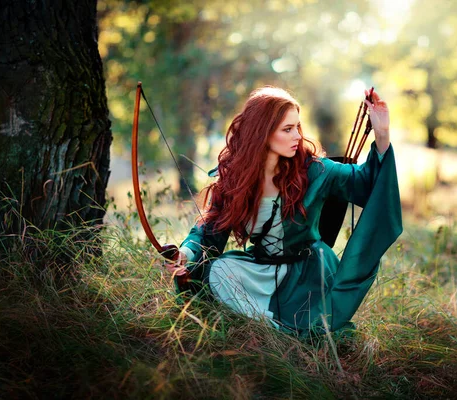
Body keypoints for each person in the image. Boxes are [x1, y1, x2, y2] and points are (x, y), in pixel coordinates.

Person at [166, 86, 402, 336]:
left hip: (308, 274)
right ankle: (268, 326)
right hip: (261, 268)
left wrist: (382, 132)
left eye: (297, 128)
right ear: (262, 133)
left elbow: (369, 183)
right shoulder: (234, 178)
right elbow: (209, 232)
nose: (297, 136)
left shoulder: (316, 171)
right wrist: (185, 253)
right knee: (221, 269)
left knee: (315, 330)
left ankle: (276, 329)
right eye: (287, 129)